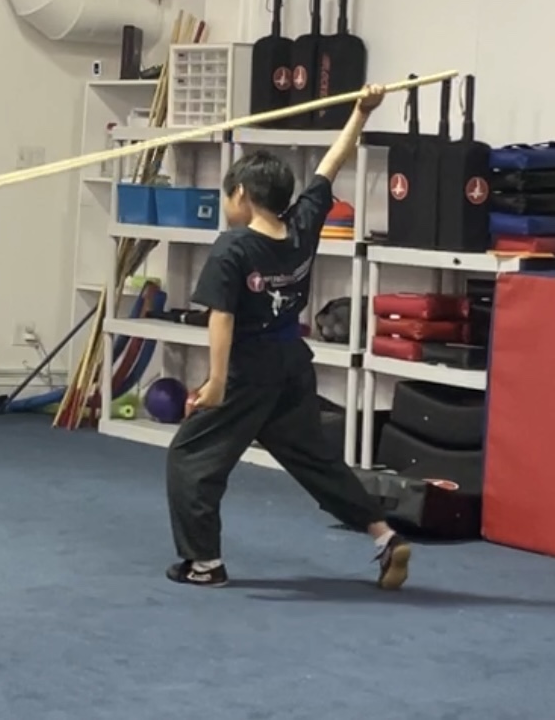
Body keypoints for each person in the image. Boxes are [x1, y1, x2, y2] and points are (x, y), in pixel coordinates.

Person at [165, 84, 411, 590]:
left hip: (249, 370)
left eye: (227, 194)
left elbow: (221, 317)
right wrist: (361, 111)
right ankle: (384, 535)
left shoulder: (232, 247)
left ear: (241, 195)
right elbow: (331, 164)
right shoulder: (302, 224)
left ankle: (203, 564)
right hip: (292, 365)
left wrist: (215, 383)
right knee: (313, 458)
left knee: (192, 459)